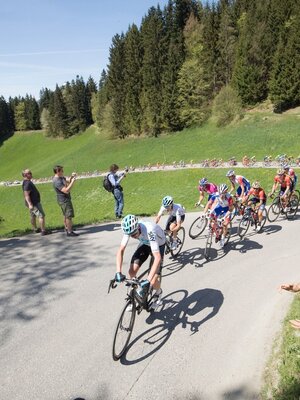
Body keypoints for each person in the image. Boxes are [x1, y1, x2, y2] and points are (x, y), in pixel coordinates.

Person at [115, 214, 165, 310]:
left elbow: (157, 257)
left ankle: (158, 293)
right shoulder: (129, 230)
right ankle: (136, 296)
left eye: (134, 234)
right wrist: (118, 271)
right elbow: (120, 250)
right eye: (130, 235)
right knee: (132, 272)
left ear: (138, 227)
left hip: (158, 245)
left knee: (153, 280)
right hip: (145, 243)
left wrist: (148, 280)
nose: (132, 237)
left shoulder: (150, 230)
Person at [22, 169, 51, 236]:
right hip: (34, 203)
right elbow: (26, 194)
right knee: (41, 215)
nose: (31, 174)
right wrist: (30, 204)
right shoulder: (27, 183)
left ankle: (35, 229)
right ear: (25, 175)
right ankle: (43, 231)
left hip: (32, 202)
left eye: (31, 172)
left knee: (33, 216)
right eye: (29, 173)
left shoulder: (26, 182)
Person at [52, 165, 78, 237]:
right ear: (57, 171)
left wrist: (72, 177)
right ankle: (70, 232)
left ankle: (67, 228)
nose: (63, 172)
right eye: (62, 171)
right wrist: (73, 182)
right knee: (68, 215)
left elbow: (68, 180)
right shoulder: (56, 181)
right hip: (64, 200)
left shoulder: (61, 177)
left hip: (64, 199)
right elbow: (66, 190)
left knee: (65, 215)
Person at [206, 184, 234, 248]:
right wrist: (206, 213)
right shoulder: (216, 194)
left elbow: (230, 209)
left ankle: (223, 238)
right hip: (220, 207)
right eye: (220, 193)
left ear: (226, 192)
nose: (221, 195)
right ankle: (216, 231)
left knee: (225, 224)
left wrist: (224, 217)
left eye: (222, 194)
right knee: (211, 217)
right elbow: (211, 203)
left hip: (227, 210)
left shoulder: (229, 198)